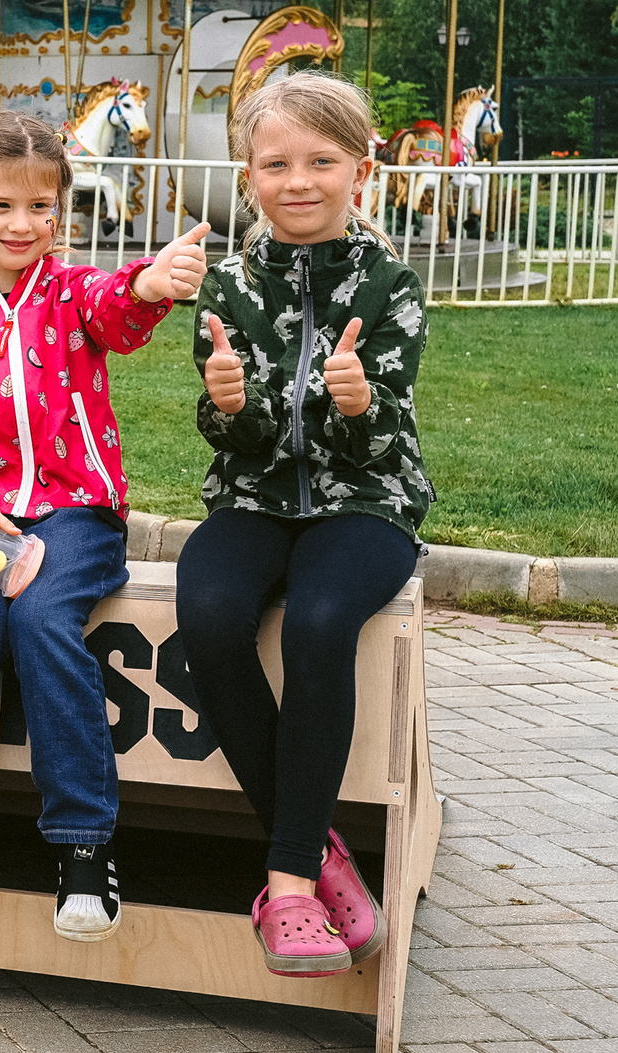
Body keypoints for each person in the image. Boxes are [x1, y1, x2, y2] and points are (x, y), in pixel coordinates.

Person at [0, 116, 210, 942]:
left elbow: (119, 306)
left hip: (73, 513)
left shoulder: (71, 293)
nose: (23, 225)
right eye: (2, 205)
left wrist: (152, 281)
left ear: (62, 212)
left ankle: (81, 843)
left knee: (40, 622)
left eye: (43, 207)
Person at [175, 75, 431, 977]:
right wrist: (229, 404)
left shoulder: (391, 285)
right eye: (277, 163)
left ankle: (284, 884)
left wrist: (359, 408)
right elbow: (227, 433)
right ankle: (321, 849)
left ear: (360, 171)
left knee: (322, 624)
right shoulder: (228, 285)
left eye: (322, 161)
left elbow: (378, 445)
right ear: (249, 175)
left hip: (366, 502)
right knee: (204, 613)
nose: (300, 181)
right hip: (253, 497)